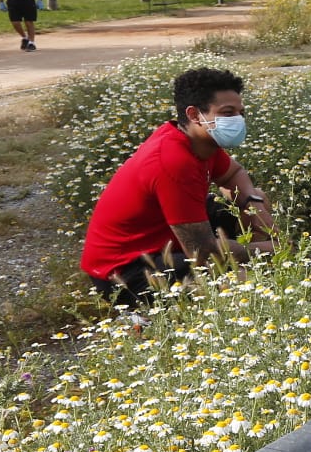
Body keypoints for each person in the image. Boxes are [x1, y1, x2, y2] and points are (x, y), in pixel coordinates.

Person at [80, 66, 275, 308]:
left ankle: (264, 264)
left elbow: (235, 173)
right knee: (249, 284)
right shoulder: (173, 162)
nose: (238, 120)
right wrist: (268, 249)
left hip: (164, 239)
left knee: (256, 196)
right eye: (227, 113)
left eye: (240, 113)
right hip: (123, 271)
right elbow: (203, 253)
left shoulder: (198, 141)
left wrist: (256, 210)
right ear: (194, 114)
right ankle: (140, 315)